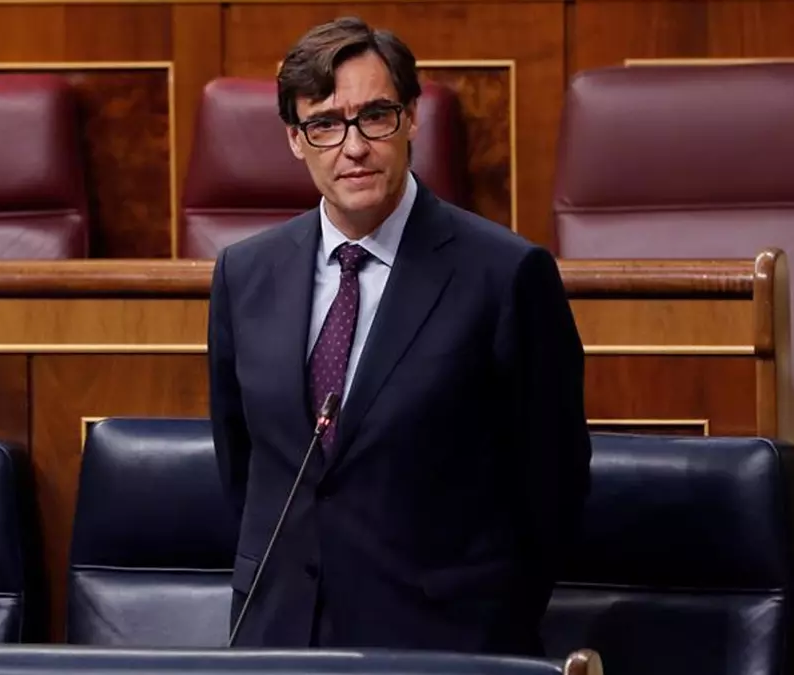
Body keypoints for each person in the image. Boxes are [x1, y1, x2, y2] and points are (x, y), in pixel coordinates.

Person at [207, 16, 591, 656]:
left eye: (375, 116)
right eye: (325, 124)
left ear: (411, 117)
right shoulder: (244, 274)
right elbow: (243, 466)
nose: (353, 146)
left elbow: (552, 484)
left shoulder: (504, 275)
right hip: (279, 638)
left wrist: (490, 623)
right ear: (295, 139)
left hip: (442, 644)